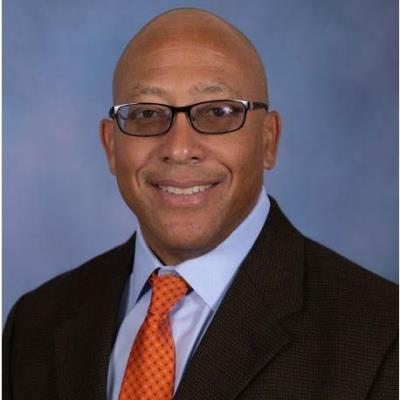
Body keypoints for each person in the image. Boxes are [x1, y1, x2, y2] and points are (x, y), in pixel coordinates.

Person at [3, 8, 397, 400]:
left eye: (217, 112)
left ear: (268, 141)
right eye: (146, 113)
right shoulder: (34, 324)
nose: (179, 148)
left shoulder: (382, 336)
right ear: (110, 146)